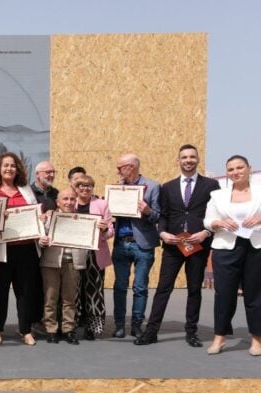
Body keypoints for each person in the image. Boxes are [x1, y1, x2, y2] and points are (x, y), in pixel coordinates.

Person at [136, 145, 220, 347]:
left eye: (192, 157)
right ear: (178, 160)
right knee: (163, 289)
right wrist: (162, 233)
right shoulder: (168, 187)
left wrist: (206, 232)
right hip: (173, 246)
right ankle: (151, 332)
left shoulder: (211, 185)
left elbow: (217, 214)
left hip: (198, 245)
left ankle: (191, 332)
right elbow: (163, 215)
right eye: (184, 157)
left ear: (197, 159)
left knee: (194, 290)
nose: (188, 160)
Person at [203, 155, 261, 356]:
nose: (235, 172)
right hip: (225, 248)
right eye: (231, 169)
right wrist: (218, 223)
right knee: (224, 295)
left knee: (255, 295)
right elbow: (207, 221)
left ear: (249, 168)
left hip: (256, 247)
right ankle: (219, 337)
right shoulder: (217, 195)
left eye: (240, 167)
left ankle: (257, 339)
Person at [0, 152, 41, 346]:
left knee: (25, 291)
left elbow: (35, 214)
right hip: (2, 249)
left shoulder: (26, 190)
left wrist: (39, 221)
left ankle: (25, 330)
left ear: (18, 169)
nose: (9, 169)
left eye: (13, 166)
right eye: (5, 165)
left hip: (26, 249)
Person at [111, 153, 161, 339]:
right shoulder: (117, 189)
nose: (117, 171)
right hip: (121, 244)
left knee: (140, 287)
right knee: (120, 286)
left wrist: (148, 211)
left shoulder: (153, 187)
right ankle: (119, 325)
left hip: (143, 244)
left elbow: (159, 215)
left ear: (131, 167)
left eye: (120, 167)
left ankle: (137, 324)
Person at [38, 187, 90, 345]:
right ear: (58, 202)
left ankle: (68, 330)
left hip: (73, 263)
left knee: (69, 299)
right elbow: (39, 237)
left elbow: (92, 237)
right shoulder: (48, 218)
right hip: (51, 263)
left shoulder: (84, 220)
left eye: (72, 199)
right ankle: (51, 329)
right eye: (65, 199)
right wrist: (42, 240)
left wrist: (101, 227)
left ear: (76, 201)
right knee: (50, 298)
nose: (68, 202)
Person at [73, 174, 114, 339]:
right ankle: (72, 325)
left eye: (88, 186)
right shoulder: (70, 202)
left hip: (95, 254)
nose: (85, 189)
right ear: (76, 188)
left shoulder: (101, 204)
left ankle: (94, 327)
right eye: (81, 186)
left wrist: (105, 229)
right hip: (75, 252)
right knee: (74, 290)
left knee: (94, 290)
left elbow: (111, 230)